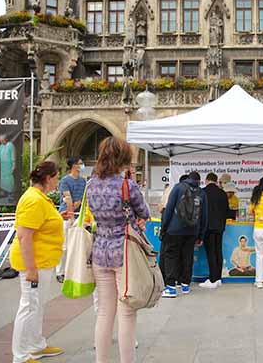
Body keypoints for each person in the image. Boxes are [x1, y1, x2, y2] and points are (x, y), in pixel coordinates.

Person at [86, 136, 150, 363]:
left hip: (100, 251)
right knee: (126, 311)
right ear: (123, 158)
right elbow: (144, 212)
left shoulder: (90, 183)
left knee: (104, 312)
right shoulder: (126, 185)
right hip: (124, 252)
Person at [10, 161, 74, 363]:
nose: (57, 182)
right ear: (48, 178)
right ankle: (20, 356)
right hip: (34, 263)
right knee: (28, 306)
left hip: (43, 261)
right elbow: (24, 236)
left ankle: (36, 345)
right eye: (56, 178)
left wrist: (59, 217)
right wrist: (31, 269)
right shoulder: (33, 199)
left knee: (36, 306)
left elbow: (40, 224)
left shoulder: (39, 198)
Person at [161, 171, 208, 298]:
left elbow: (169, 209)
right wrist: (200, 235)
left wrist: (164, 228)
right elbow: (204, 217)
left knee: (171, 256)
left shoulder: (178, 188)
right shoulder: (201, 193)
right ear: (198, 181)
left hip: (174, 229)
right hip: (192, 231)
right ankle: (186, 284)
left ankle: (170, 287)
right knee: (188, 256)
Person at [56, 156, 87, 283]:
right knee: (64, 245)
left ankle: (71, 271)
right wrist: (72, 216)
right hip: (67, 215)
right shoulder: (65, 180)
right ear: (74, 165)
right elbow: (68, 199)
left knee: (75, 245)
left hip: (78, 214)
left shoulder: (83, 181)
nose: (82, 165)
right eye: (80, 163)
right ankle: (60, 272)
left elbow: (83, 199)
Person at [200, 173, 229, 289]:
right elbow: (227, 210)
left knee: (210, 252)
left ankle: (212, 279)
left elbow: (200, 211)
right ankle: (218, 278)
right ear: (216, 181)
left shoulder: (203, 192)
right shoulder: (222, 193)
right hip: (220, 227)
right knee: (218, 251)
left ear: (206, 180)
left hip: (208, 227)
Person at [0, 134, 16, 201]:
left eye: (2, 140)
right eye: (0, 141)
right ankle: (4, 192)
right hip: (3, 166)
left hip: (9, 166)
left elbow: (13, 155)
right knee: (3, 179)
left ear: (6, 139)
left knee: (9, 180)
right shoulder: (1, 146)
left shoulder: (10, 145)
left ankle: (11, 195)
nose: (1, 142)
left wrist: (13, 165)